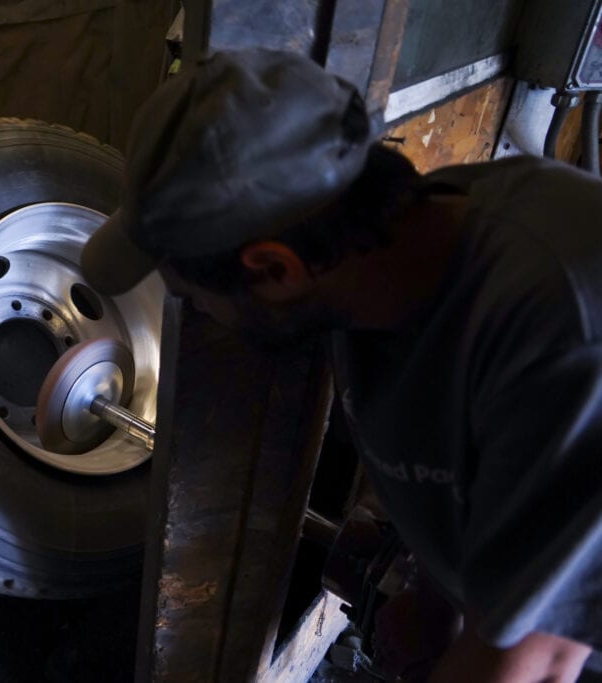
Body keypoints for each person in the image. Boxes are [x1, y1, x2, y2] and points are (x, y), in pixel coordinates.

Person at [80, 48, 602, 682]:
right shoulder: (383, 262)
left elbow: (539, 661)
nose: (204, 316)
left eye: (193, 298)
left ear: (275, 269)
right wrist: (438, 603)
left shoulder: (564, 330)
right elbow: (467, 466)